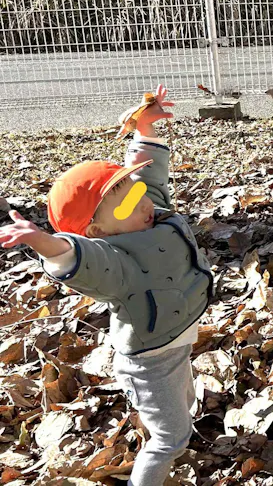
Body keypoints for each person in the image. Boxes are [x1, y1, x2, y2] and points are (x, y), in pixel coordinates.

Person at [0, 85, 212, 486]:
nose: (143, 200)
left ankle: (173, 416)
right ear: (97, 230)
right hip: (149, 360)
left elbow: (146, 175)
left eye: (134, 191)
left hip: (176, 336)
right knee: (171, 437)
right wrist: (45, 242)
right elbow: (80, 259)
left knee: (182, 399)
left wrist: (145, 131)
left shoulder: (146, 211)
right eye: (128, 200)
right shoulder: (115, 263)